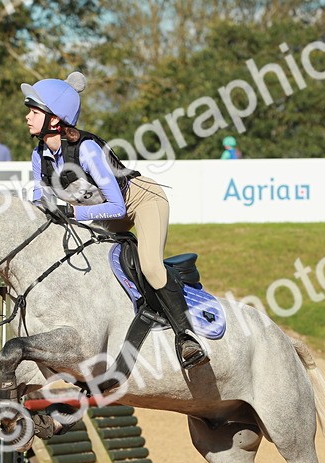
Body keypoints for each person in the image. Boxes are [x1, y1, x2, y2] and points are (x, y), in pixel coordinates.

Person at [23, 71, 207, 370]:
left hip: (141, 202)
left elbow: (117, 206)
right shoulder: (39, 154)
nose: (28, 118)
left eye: (34, 112)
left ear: (55, 120)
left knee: (149, 265)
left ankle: (186, 336)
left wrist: (71, 212)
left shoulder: (86, 149)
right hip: (102, 212)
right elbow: (39, 202)